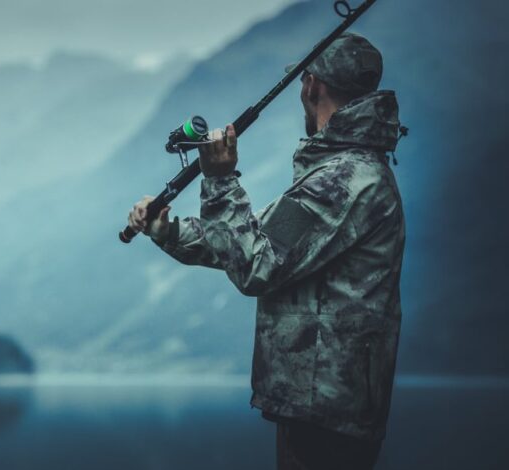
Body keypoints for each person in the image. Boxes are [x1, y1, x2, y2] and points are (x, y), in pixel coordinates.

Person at [128, 32, 405, 470]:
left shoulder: (344, 182)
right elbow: (255, 242)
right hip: (319, 402)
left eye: (303, 83)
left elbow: (256, 266)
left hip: (326, 411)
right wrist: (169, 231)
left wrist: (220, 179)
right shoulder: (344, 174)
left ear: (312, 85)